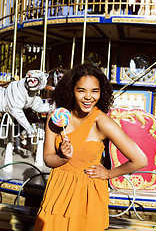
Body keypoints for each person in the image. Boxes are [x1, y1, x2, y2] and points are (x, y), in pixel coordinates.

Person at [34, 63, 148, 231]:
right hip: (57, 192)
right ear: (71, 90)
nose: (89, 97)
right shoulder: (57, 117)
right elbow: (48, 159)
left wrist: (109, 173)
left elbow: (140, 160)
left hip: (87, 196)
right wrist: (63, 157)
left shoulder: (102, 122)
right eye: (82, 90)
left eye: (95, 91)